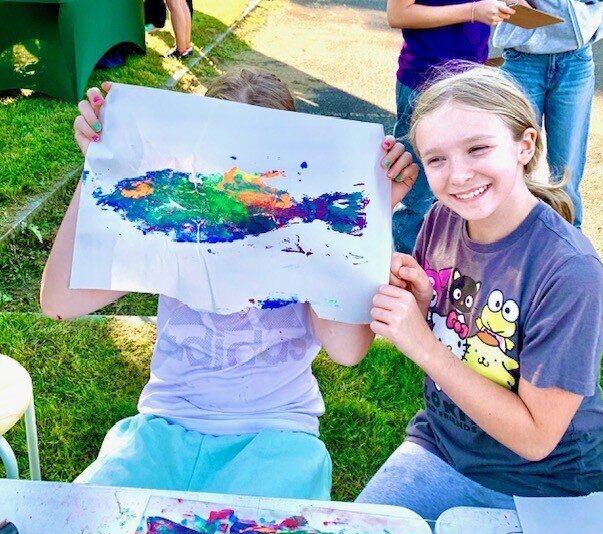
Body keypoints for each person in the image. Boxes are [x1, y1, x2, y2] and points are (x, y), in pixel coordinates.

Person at [43, 68, 418, 501]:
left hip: (276, 433)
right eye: (226, 167)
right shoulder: (178, 226)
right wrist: (100, 167)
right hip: (166, 425)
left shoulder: (305, 236)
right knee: (93, 520)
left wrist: (371, 216)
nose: (240, 185)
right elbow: (59, 301)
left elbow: (346, 350)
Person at [357, 65, 603, 521]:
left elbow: (536, 438)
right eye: (437, 159)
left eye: (478, 148)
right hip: (441, 447)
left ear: (525, 145)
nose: (458, 175)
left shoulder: (571, 274)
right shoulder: (442, 219)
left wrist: (422, 344)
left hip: (541, 486)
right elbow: (459, 338)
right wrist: (422, 304)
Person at [386, 0, 516, 253]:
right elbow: (398, 14)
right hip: (425, 81)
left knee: (460, 185)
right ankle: (401, 265)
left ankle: (437, 265)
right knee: (415, 193)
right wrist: (473, 12)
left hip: (469, 80)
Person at [494, 0, 603, 229]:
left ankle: (571, 242)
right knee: (513, 163)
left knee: (567, 170)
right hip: (522, 61)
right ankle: (513, 241)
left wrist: (589, 26)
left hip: (576, 61)